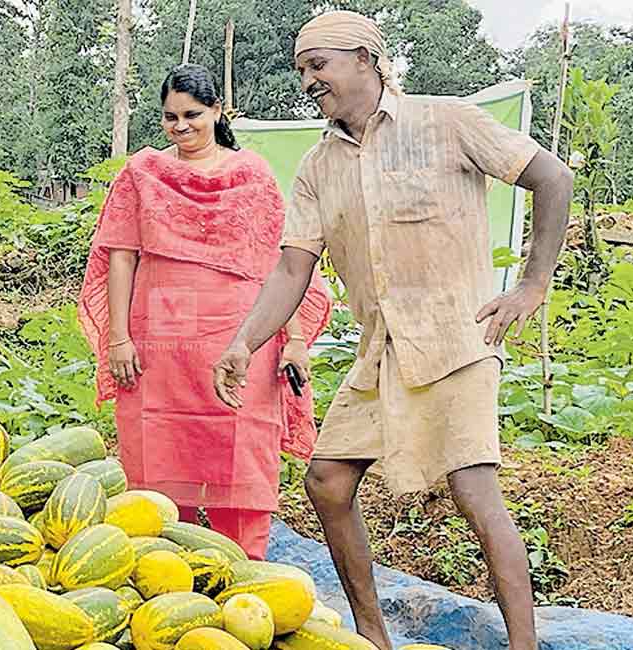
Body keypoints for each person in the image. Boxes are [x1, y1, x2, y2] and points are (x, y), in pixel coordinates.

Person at [212, 10, 574, 650]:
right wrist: (245, 339)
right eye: (301, 69)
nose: (307, 80)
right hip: (380, 352)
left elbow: (551, 176)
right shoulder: (320, 166)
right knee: (326, 481)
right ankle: (374, 637)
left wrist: (532, 283)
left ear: (365, 60)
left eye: (317, 65)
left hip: (457, 340)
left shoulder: (446, 121)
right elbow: (294, 266)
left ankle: (524, 646)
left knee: (473, 489)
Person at [78, 64, 333, 559]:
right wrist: (118, 338)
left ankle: (244, 572)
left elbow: (280, 267)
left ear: (218, 111)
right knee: (157, 450)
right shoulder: (142, 173)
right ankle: (158, 570)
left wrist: (295, 340)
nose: (181, 126)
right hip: (159, 344)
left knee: (242, 452)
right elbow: (120, 254)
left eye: (193, 114)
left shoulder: (251, 176)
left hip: (242, 341)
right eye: (170, 117)